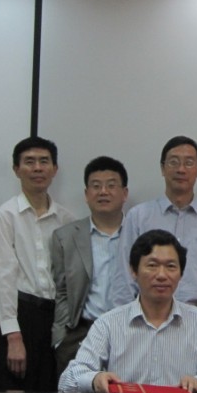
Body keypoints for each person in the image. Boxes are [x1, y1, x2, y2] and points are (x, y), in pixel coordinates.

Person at [59, 229, 197, 393]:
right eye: (152, 265)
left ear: (181, 274)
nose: (162, 275)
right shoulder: (109, 323)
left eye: (171, 266)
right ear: (134, 271)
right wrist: (95, 379)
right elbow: (67, 381)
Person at [111, 136, 197, 347]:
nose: (181, 169)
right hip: (144, 323)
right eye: (174, 162)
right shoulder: (138, 216)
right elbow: (124, 278)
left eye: (189, 162)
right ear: (162, 168)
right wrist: (120, 330)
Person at [0, 136, 75, 391]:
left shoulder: (66, 219)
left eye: (44, 161)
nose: (37, 168)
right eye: (29, 162)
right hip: (20, 316)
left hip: (55, 319)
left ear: (54, 169)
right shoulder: (6, 215)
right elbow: (2, 276)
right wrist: (13, 335)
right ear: (16, 169)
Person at [51, 156, 129, 378]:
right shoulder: (66, 236)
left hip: (129, 332)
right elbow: (61, 290)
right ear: (86, 194)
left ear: (125, 193)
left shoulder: (140, 234)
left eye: (111, 185)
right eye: (96, 186)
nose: (103, 192)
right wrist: (61, 338)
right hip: (81, 332)